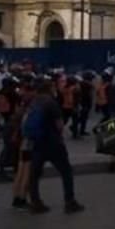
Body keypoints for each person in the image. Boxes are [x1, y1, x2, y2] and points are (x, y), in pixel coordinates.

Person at [24, 78, 85, 214]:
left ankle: (36, 202)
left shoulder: (34, 102)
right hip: (53, 143)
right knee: (66, 171)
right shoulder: (51, 103)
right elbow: (59, 125)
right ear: (49, 89)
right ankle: (70, 202)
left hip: (37, 143)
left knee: (34, 174)